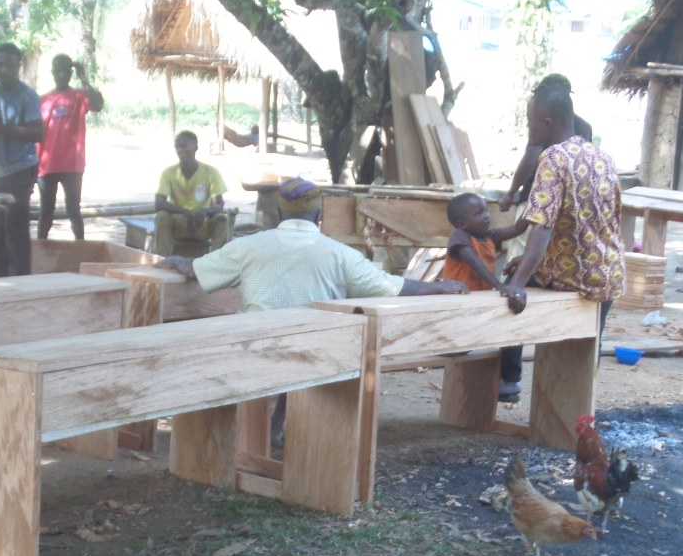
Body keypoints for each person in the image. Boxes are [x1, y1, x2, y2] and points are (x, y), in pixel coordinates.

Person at [159, 177, 469, 441]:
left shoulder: (249, 246)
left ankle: (259, 432)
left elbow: (196, 270)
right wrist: (437, 286)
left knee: (259, 339)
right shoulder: (339, 254)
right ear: (318, 214)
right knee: (309, 347)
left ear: (279, 212)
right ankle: (279, 427)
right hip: (316, 355)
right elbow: (392, 287)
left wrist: (178, 262)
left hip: (254, 349)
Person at [500, 86, 626, 393]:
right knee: (587, 344)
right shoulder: (602, 157)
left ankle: (508, 379)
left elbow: (541, 227)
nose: (528, 128)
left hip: (575, 275)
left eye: (530, 122)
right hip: (608, 273)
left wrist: (518, 281)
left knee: (509, 293)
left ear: (547, 122)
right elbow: (593, 223)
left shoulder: (553, 159)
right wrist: (537, 263)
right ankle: (579, 410)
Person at [498, 74, 594, 265]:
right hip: (569, 208)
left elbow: (530, 160)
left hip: (536, 200)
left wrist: (510, 193)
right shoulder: (585, 127)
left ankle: (513, 288)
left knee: (522, 255)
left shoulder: (542, 124)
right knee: (553, 259)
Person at [443, 192, 530, 401]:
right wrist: (501, 286)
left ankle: (509, 380)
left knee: (515, 321)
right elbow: (476, 264)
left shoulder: (488, 235)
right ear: (462, 223)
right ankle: (454, 347)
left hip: (479, 302)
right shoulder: (460, 237)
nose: (486, 216)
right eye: (479, 213)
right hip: (456, 304)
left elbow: (518, 229)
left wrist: (535, 208)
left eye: (486, 211)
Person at [0, 42, 42, 277]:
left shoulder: (27, 96)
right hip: (0, 170)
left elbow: (39, 133)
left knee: (15, 225)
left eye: (9, 65)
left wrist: (2, 128)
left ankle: (21, 279)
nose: (3, 69)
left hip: (22, 168)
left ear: (19, 66)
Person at [37, 54, 104, 240]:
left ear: (70, 73)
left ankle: (80, 248)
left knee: (74, 210)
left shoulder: (79, 96)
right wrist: (35, 165)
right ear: (52, 73)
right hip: (47, 165)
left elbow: (98, 105)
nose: (61, 75)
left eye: (66, 71)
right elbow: (38, 134)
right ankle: (40, 249)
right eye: (57, 71)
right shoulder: (43, 100)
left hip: (72, 166)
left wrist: (84, 78)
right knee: (46, 212)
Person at [154, 130, 231, 257]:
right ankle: (163, 259)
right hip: (179, 224)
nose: (179, 150)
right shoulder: (169, 173)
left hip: (202, 224)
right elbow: (159, 204)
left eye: (184, 146)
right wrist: (184, 212)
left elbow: (218, 206)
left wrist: (204, 212)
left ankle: (217, 262)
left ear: (195, 148)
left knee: (221, 220)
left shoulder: (211, 172)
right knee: (162, 216)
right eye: (177, 146)